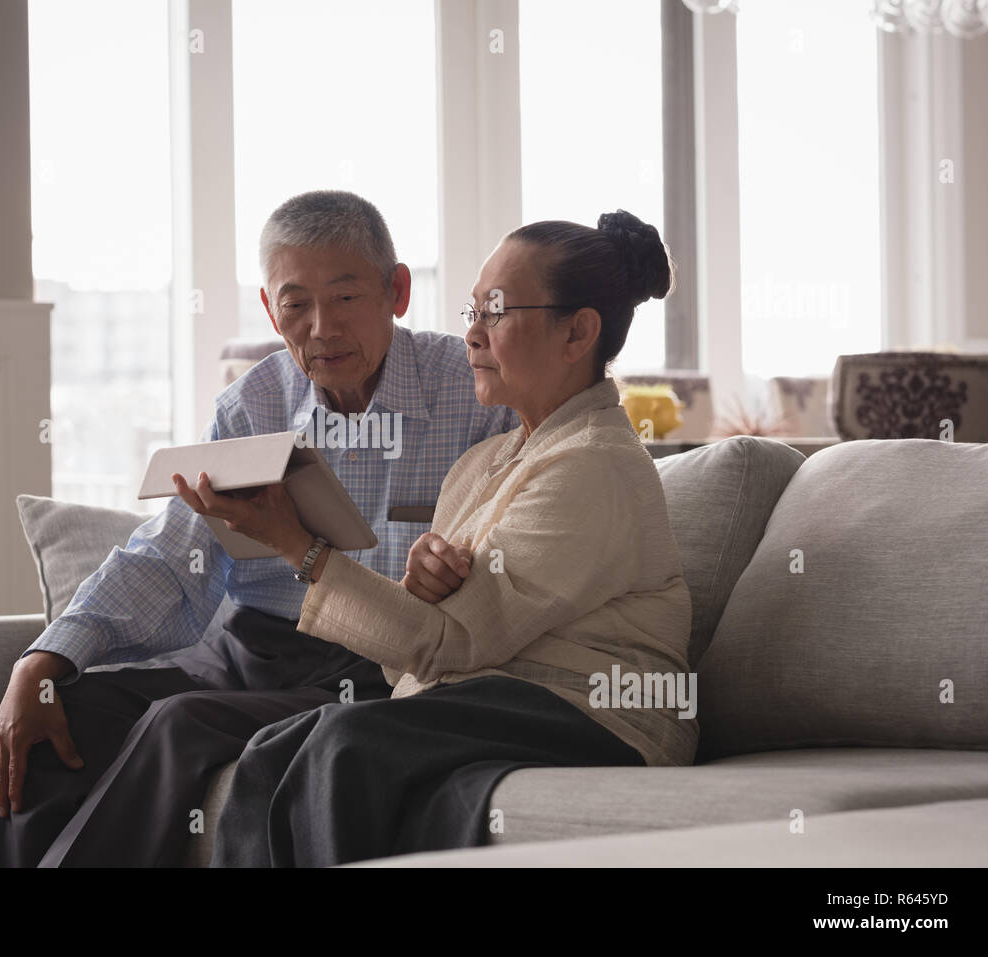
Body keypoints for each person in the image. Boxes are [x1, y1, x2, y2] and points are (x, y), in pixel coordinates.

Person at [0, 190, 518, 867]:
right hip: (247, 649)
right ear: (269, 309)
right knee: (69, 710)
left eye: (346, 298)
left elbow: (510, 548)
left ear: (396, 291)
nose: (321, 327)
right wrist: (42, 662)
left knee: (180, 723)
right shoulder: (252, 403)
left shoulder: (474, 396)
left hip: (369, 667)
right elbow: (168, 559)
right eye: (296, 305)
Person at [176, 210, 699, 867]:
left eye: (497, 312)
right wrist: (418, 589)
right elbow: (410, 660)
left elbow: (447, 646)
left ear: (578, 332)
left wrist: (298, 546)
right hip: (486, 694)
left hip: (595, 713)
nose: (473, 336)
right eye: (471, 311)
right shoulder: (482, 464)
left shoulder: (596, 464)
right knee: (278, 745)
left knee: (344, 746)